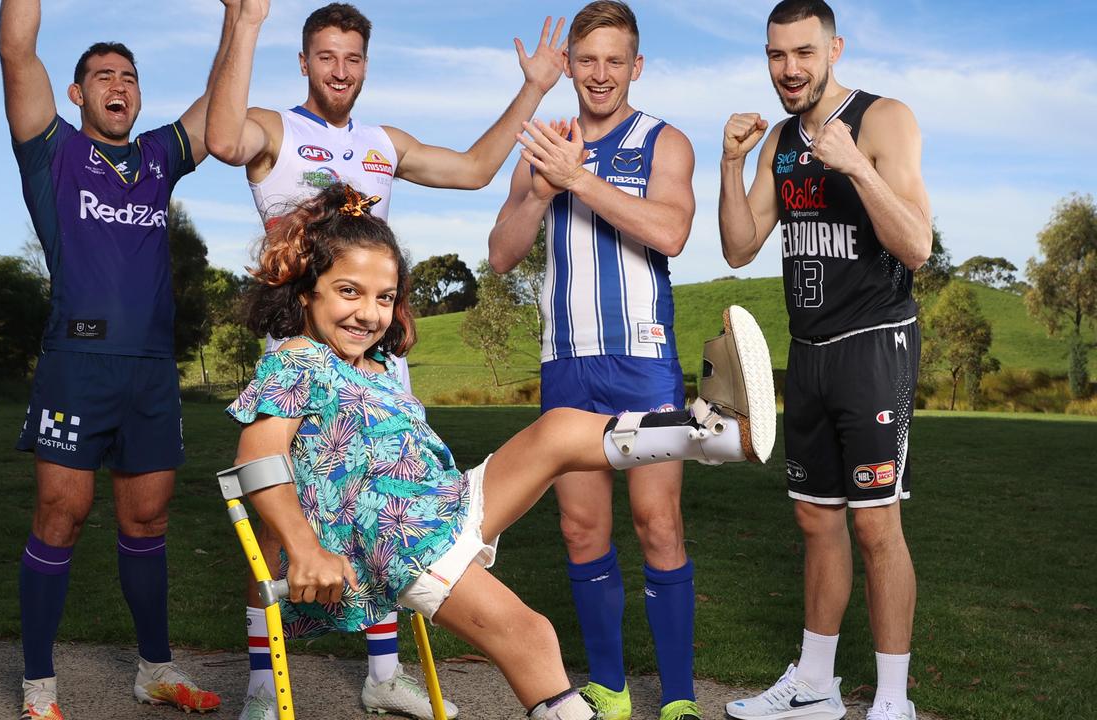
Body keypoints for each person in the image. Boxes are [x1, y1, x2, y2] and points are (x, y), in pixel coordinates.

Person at [224, 182, 772, 720]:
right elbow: (257, 457)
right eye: (349, 292)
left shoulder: (380, 368)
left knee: (557, 430)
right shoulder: (299, 360)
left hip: (441, 503)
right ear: (305, 292)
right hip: (393, 538)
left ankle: (713, 433)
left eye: (385, 297)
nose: (369, 313)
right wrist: (303, 547)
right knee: (530, 635)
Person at [204, 3, 569, 718]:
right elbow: (221, 139)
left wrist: (534, 88)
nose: (340, 70)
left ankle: (382, 675)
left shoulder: (382, 140)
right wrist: (244, 23)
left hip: (377, 365)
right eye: (326, 56)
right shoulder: (275, 130)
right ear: (304, 61)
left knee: (397, 515)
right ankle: (259, 689)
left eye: (353, 58)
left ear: (365, 64)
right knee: (281, 533)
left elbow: (471, 170)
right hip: (309, 363)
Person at [0, 1, 239, 717]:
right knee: (61, 515)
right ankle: (39, 683)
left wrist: (238, 16)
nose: (119, 84)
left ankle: (154, 670)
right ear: (78, 93)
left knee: (148, 521)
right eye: (104, 74)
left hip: (150, 370)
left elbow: (218, 103)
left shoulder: (159, 156)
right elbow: (17, 49)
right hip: (78, 361)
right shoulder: (53, 148)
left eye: (129, 75)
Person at [716, 2, 931, 720]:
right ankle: (814, 686)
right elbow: (740, 247)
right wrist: (730, 163)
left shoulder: (883, 119)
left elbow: (917, 247)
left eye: (804, 53)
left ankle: (893, 700)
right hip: (806, 354)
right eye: (777, 55)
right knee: (817, 522)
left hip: (875, 347)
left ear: (834, 48)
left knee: (876, 525)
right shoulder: (779, 139)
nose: (790, 69)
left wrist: (856, 170)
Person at [486, 3, 699, 719]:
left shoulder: (664, 141)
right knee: (581, 529)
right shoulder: (547, 143)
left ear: (636, 67)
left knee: (657, 523)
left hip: (643, 359)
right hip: (567, 363)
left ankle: (677, 699)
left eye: (615, 61)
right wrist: (545, 185)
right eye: (587, 60)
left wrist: (579, 183)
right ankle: (609, 688)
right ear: (570, 66)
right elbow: (502, 251)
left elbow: (670, 232)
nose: (600, 74)